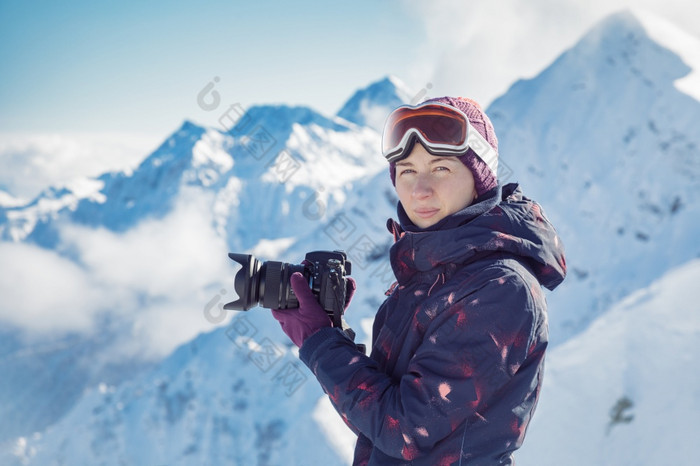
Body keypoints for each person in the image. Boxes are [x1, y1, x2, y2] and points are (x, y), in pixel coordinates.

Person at [272, 96, 567, 465]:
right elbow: (380, 418)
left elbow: (404, 430)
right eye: (407, 170)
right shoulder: (434, 273)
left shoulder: (499, 289)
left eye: (440, 169)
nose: (419, 190)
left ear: (480, 179)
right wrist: (334, 333)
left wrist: (320, 343)